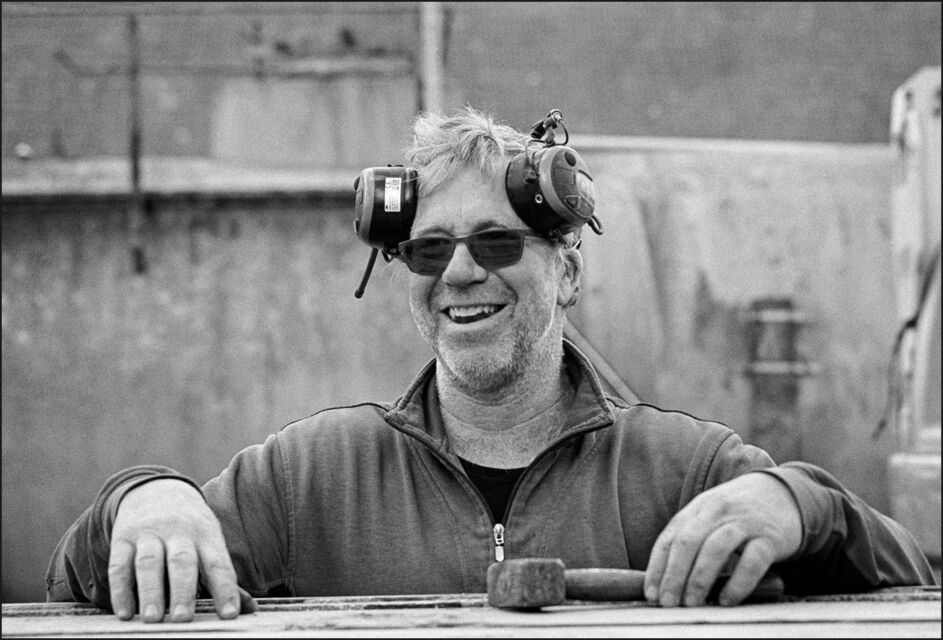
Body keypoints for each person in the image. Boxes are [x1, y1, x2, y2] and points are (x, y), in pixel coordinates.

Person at [46, 106, 935, 623]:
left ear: (568, 271)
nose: (461, 272)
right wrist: (142, 499)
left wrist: (800, 504)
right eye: (429, 250)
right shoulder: (310, 477)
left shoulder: (681, 470)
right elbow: (73, 589)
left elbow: (910, 588)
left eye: (497, 243)